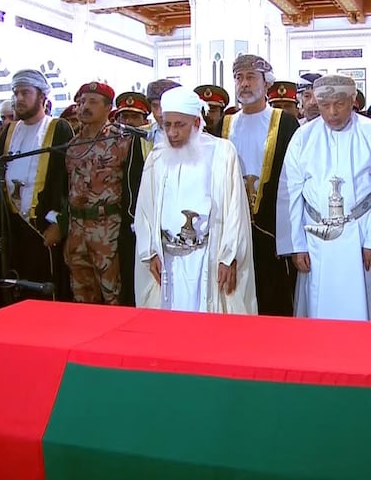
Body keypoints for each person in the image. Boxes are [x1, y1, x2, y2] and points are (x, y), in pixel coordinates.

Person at [276, 75, 371, 321]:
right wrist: (296, 245)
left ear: (353, 100)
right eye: (324, 105)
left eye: (339, 104)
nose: (332, 112)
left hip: (360, 233)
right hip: (316, 237)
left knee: (365, 306)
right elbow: (290, 193)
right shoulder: (303, 136)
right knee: (319, 306)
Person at [134, 86, 256, 313]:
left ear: (197, 123)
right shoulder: (157, 156)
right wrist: (149, 252)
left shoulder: (222, 152)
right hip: (167, 258)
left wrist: (228, 257)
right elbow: (144, 209)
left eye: (180, 125)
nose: (172, 133)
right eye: (167, 125)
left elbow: (235, 210)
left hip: (208, 257)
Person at [221, 54, 299, 316]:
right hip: (233, 227)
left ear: (266, 85)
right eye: (239, 78)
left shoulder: (285, 123)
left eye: (251, 77)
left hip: (271, 227)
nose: (244, 83)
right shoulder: (224, 124)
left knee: (273, 296)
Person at [0, 69, 74, 302]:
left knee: (47, 294)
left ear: (42, 97)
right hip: (13, 228)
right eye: (16, 93)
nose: (19, 99)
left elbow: (66, 181)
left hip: (43, 227)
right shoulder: (9, 131)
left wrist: (59, 223)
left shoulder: (58, 128)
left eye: (25, 92)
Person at [61, 82, 130, 304]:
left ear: (108, 107)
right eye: (81, 102)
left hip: (106, 228)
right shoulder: (72, 145)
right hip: (77, 228)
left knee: (113, 295)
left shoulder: (121, 140)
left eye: (92, 101)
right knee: (81, 294)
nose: (84, 107)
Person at [113, 91, 151, 306]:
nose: (126, 123)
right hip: (121, 225)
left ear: (144, 121)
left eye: (133, 118)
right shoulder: (111, 143)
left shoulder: (147, 142)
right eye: (123, 117)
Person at [145, 79, 181, 146]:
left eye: (164, 106)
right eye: (155, 106)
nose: (159, 114)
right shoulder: (140, 134)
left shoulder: (196, 134)